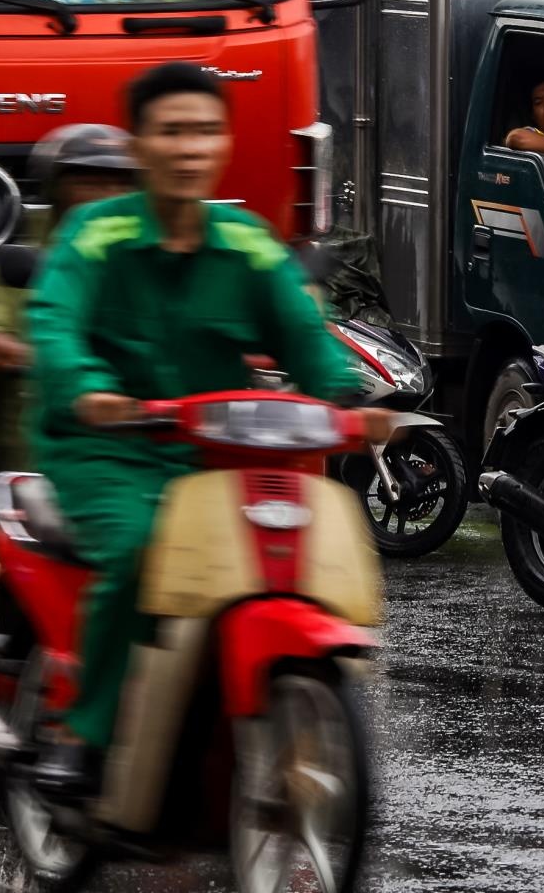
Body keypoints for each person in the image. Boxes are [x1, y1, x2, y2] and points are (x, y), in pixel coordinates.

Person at [27, 62, 387, 796]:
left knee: (278, 555)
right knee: (136, 551)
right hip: (105, 449)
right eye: (172, 132)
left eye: (204, 131)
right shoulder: (97, 235)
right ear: (139, 145)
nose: (190, 149)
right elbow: (53, 323)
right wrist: (91, 390)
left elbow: (302, 331)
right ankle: (84, 735)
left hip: (213, 454)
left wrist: (346, 399)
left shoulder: (247, 241)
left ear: (224, 143)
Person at [0, 124, 138, 473]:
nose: (106, 195)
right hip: (38, 443)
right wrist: (17, 349)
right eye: (89, 183)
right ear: (56, 189)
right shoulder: (32, 248)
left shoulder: (153, 251)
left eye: (120, 184)